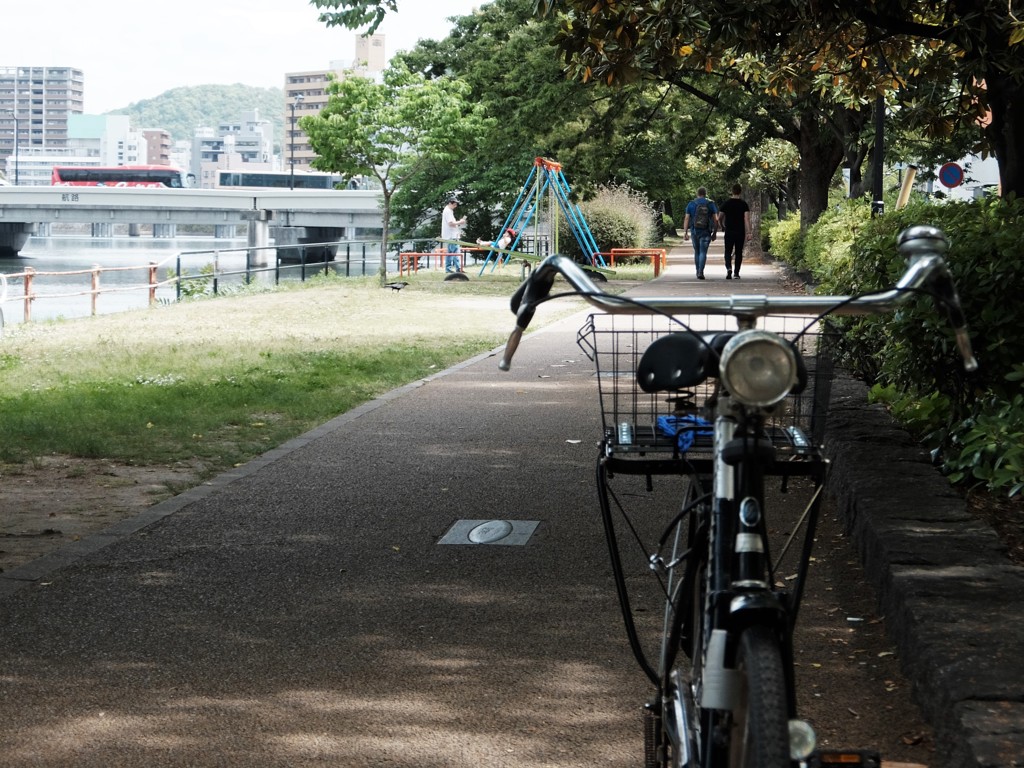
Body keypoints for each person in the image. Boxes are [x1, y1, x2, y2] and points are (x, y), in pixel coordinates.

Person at [682, 187, 719, 280]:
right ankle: (700, 272)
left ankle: (697, 271)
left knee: (697, 251)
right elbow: (716, 219)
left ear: (697, 193)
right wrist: (714, 232)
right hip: (706, 231)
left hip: (694, 231)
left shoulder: (691, 204)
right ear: (705, 194)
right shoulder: (710, 204)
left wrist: (685, 232)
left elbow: (687, 218)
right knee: (703, 252)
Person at [717, 183, 752, 279]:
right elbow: (747, 219)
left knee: (727, 251)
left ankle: (728, 268)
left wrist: (722, 225)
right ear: (740, 192)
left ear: (732, 191)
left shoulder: (726, 203)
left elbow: (719, 217)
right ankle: (736, 273)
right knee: (738, 252)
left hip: (729, 231)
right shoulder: (744, 204)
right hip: (740, 232)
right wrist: (749, 232)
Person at [441, 197, 467, 273]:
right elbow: (450, 223)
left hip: (452, 235)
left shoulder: (448, 210)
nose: (455, 206)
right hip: (451, 235)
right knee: (455, 252)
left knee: (451, 252)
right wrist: (460, 222)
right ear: (450, 203)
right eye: (454, 204)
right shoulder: (448, 211)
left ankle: (450, 269)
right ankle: (457, 268)